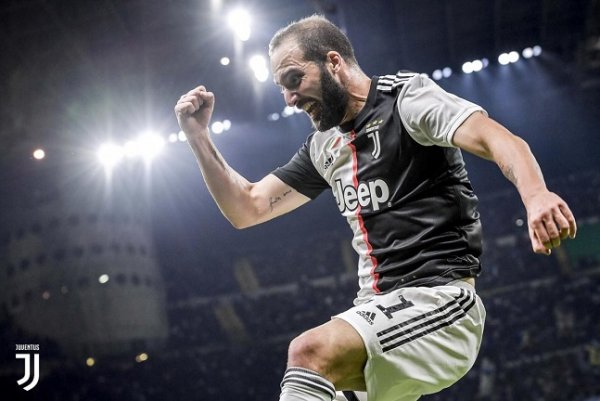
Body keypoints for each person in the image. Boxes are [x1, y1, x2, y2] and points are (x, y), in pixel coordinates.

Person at [174, 15, 577, 401]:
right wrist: (198, 137)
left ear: (333, 62)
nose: (290, 99)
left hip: (441, 305)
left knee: (308, 352)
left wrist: (536, 194)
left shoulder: (405, 99)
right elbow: (247, 208)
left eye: (294, 80)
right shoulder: (323, 146)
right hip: (378, 313)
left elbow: (496, 138)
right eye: (281, 87)